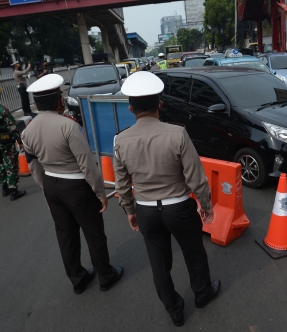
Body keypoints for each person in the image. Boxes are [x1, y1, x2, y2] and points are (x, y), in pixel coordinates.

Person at [113, 71, 220, 327]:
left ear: (130, 109)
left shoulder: (120, 140)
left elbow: (122, 184)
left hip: (147, 210)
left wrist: (129, 209)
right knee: (194, 252)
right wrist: (205, 205)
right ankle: (203, 294)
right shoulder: (177, 134)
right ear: (160, 104)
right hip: (179, 207)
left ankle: (174, 309)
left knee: (159, 263)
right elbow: (196, 176)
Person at [21, 74, 123, 294]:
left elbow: (33, 165)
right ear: (58, 100)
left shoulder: (27, 130)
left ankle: (78, 278)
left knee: (65, 235)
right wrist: (100, 192)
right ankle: (106, 275)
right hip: (76, 186)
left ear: (37, 103)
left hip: (51, 184)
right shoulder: (68, 126)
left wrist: (45, 190)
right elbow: (86, 163)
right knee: (93, 232)